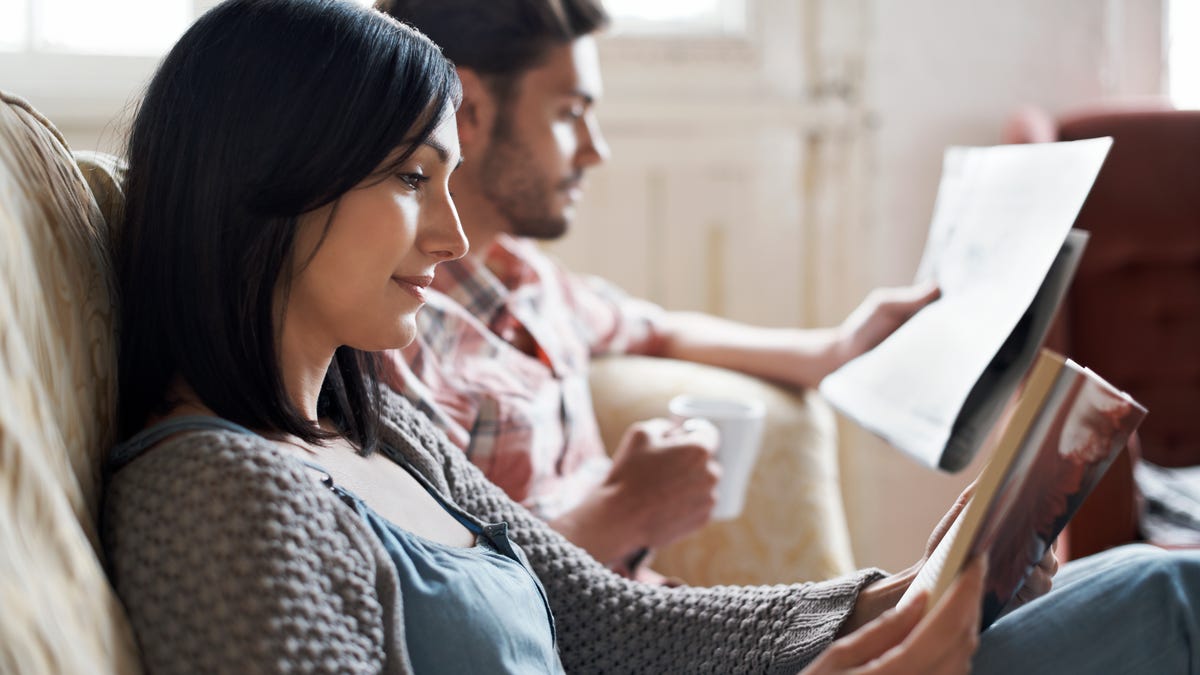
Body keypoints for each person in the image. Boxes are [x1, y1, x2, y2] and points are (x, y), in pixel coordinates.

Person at [103, 1, 1200, 673]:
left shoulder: (372, 421)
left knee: (1154, 583)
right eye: (407, 179)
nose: (448, 235)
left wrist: (899, 591)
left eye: (445, 179)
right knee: (1168, 604)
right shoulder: (214, 501)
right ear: (268, 183)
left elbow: (610, 627)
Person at [378, 0, 941, 573]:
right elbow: (452, 595)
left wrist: (837, 351)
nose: (596, 150)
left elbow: (658, 330)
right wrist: (620, 514)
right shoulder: (397, 333)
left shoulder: (533, 281)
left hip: (654, 611)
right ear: (468, 107)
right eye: (570, 113)